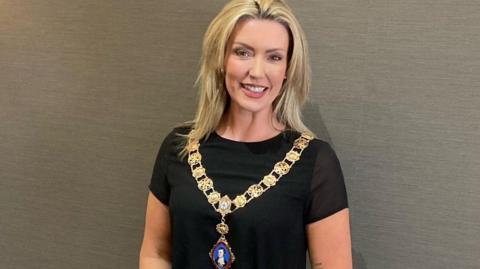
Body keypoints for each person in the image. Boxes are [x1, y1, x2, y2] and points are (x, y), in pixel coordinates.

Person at [139, 0, 352, 268]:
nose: (257, 72)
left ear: (287, 69)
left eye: (274, 57)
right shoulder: (179, 148)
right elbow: (155, 253)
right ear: (221, 58)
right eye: (243, 52)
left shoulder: (315, 162)